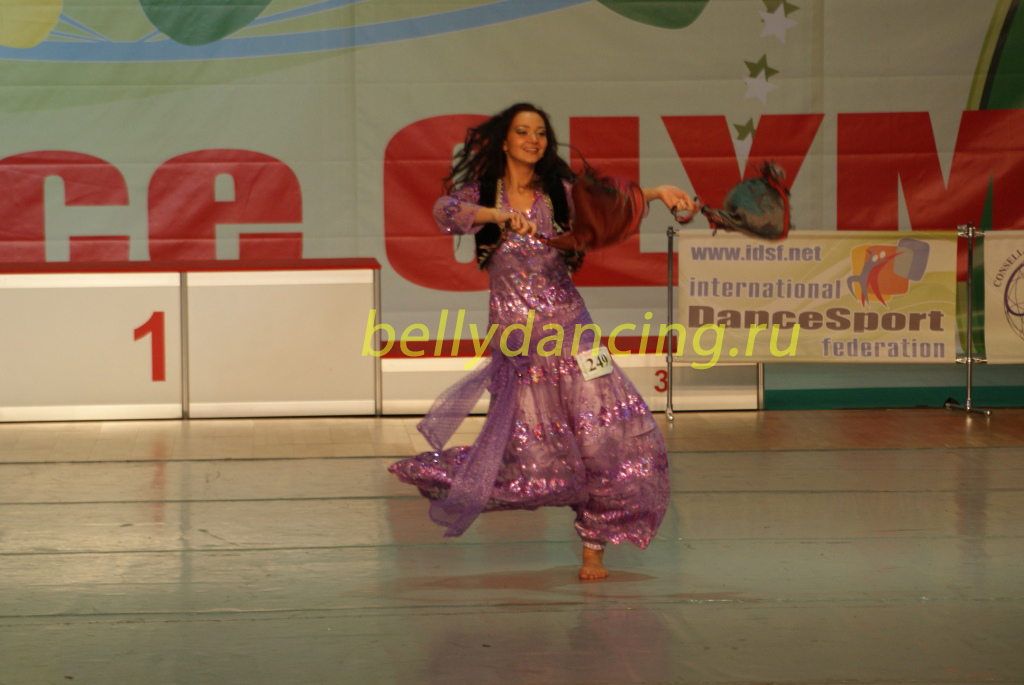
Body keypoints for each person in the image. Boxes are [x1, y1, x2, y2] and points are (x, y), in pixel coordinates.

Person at [388, 102, 696, 580]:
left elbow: (609, 206)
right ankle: (455, 475)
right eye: (523, 131)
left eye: (540, 133)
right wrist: (498, 215)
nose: (533, 140)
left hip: (574, 334)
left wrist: (656, 193)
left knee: (607, 438)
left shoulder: (559, 194)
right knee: (532, 461)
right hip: (520, 345)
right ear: (505, 141)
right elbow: (444, 212)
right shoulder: (481, 195)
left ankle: (594, 548)